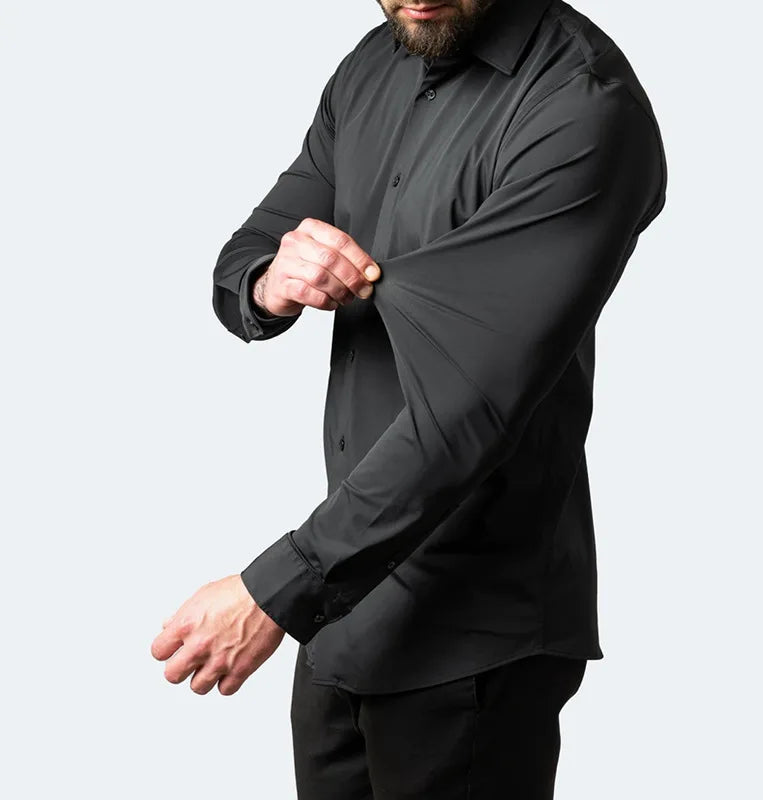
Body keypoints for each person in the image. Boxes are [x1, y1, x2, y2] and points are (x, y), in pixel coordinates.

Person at [151, 0, 667, 796]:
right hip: (342, 618)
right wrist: (270, 280)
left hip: (472, 645)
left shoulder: (582, 103)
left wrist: (274, 592)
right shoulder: (370, 65)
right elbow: (245, 258)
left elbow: (468, 411)